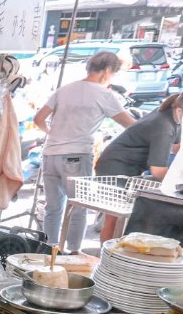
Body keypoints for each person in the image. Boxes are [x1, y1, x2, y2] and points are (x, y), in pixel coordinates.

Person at [33, 50, 136, 253]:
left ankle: (50, 250)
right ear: (106, 71)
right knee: (78, 207)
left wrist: (53, 133)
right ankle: (72, 251)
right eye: (113, 74)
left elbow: (38, 119)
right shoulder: (105, 94)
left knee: (53, 208)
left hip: (50, 154)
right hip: (76, 156)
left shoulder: (65, 89)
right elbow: (130, 125)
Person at [93, 93, 183, 241]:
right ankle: (106, 255)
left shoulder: (171, 117)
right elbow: (157, 171)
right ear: (179, 111)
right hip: (116, 167)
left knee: (120, 217)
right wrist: (177, 180)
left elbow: (175, 148)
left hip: (130, 167)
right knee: (115, 217)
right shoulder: (164, 127)